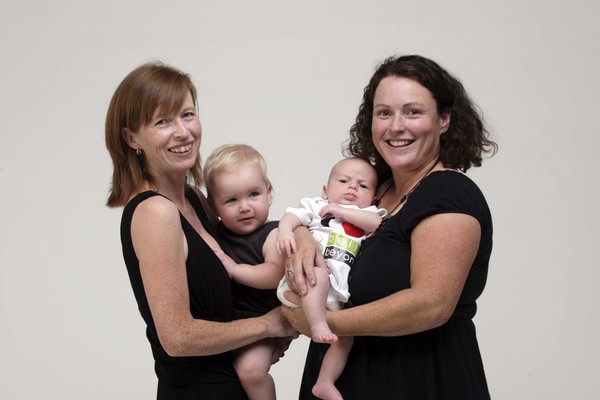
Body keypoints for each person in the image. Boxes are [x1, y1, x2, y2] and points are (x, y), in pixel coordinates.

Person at [281, 54, 497, 399]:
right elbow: (316, 215)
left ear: (444, 118)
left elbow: (430, 304)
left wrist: (324, 324)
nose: (396, 126)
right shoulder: (373, 188)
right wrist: (303, 238)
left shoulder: (449, 193)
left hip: (417, 381)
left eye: (413, 111)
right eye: (384, 113)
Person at [105, 62, 295, 399]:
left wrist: (302, 234)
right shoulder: (156, 212)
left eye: (187, 115)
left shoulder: (194, 198)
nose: (183, 132)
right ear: (132, 137)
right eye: (162, 121)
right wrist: (268, 325)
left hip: (232, 383)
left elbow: (255, 235)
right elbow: (178, 338)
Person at [276, 157, 386, 400]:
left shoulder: (368, 213)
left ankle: (324, 381)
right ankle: (317, 324)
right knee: (319, 274)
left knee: (345, 338)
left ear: (374, 197)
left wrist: (343, 211)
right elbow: (293, 216)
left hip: (336, 294)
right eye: (344, 181)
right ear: (326, 190)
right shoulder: (317, 206)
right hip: (306, 282)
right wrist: (285, 230)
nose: (352, 187)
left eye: (363, 185)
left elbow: (378, 224)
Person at [202, 143, 287, 400]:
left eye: (253, 194)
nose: (245, 207)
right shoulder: (216, 234)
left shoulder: (272, 233)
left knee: (250, 372)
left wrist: (235, 269)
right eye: (231, 200)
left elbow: (274, 273)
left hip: (260, 323)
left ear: (268, 192)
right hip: (227, 328)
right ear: (213, 206)